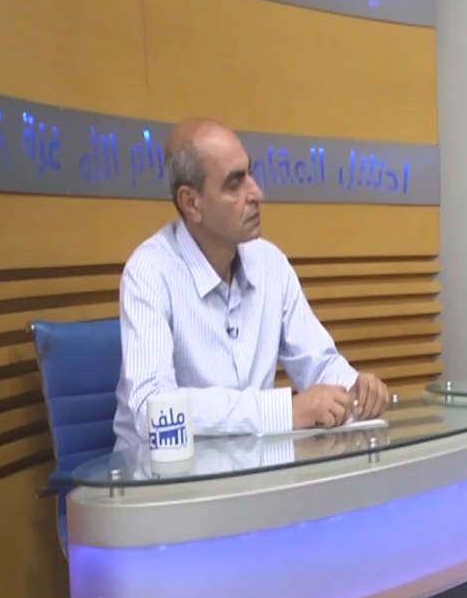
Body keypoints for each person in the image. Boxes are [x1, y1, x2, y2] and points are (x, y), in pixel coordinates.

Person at [112, 118, 390, 449]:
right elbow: (152, 409)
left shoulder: (269, 262)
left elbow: (319, 363)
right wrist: (282, 411)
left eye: (251, 174)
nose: (257, 193)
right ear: (191, 203)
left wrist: (354, 389)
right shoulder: (149, 271)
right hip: (161, 476)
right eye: (235, 184)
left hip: (252, 469)